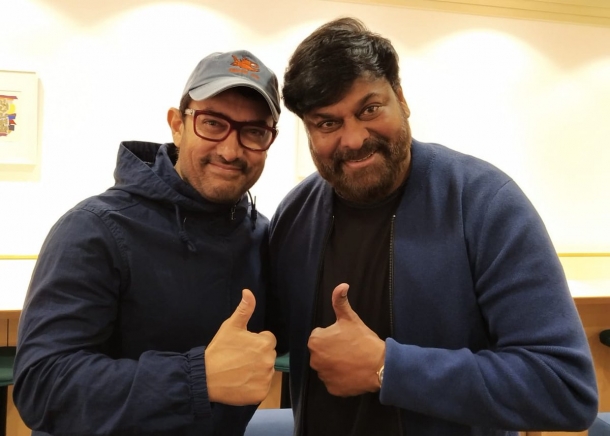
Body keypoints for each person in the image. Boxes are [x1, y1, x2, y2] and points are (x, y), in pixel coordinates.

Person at [269, 17, 598, 436]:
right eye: (327, 123)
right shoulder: (294, 215)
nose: (353, 139)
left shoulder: (484, 204)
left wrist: (389, 368)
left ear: (401, 99)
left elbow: (565, 388)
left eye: (369, 109)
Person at [14, 50, 284, 436]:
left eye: (254, 131)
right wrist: (196, 379)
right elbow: (42, 385)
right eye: (212, 123)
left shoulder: (260, 236)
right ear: (177, 125)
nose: (230, 150)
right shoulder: (93, 229)